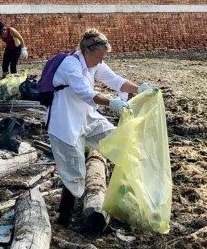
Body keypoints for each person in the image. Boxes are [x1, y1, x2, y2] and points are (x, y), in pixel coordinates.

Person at [46, 28, 153, 227]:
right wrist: (112, 103)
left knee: (120, 143)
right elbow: (84, 92)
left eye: (104, 57)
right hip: (65, 122)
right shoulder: (70, 65)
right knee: (74, 173)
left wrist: (139, 89)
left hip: (88, 118)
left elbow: (115, 80)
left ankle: (126, 197)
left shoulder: (95, 63)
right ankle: (64, 220)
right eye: (99, 57)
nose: (101, 61)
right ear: (87, 51)